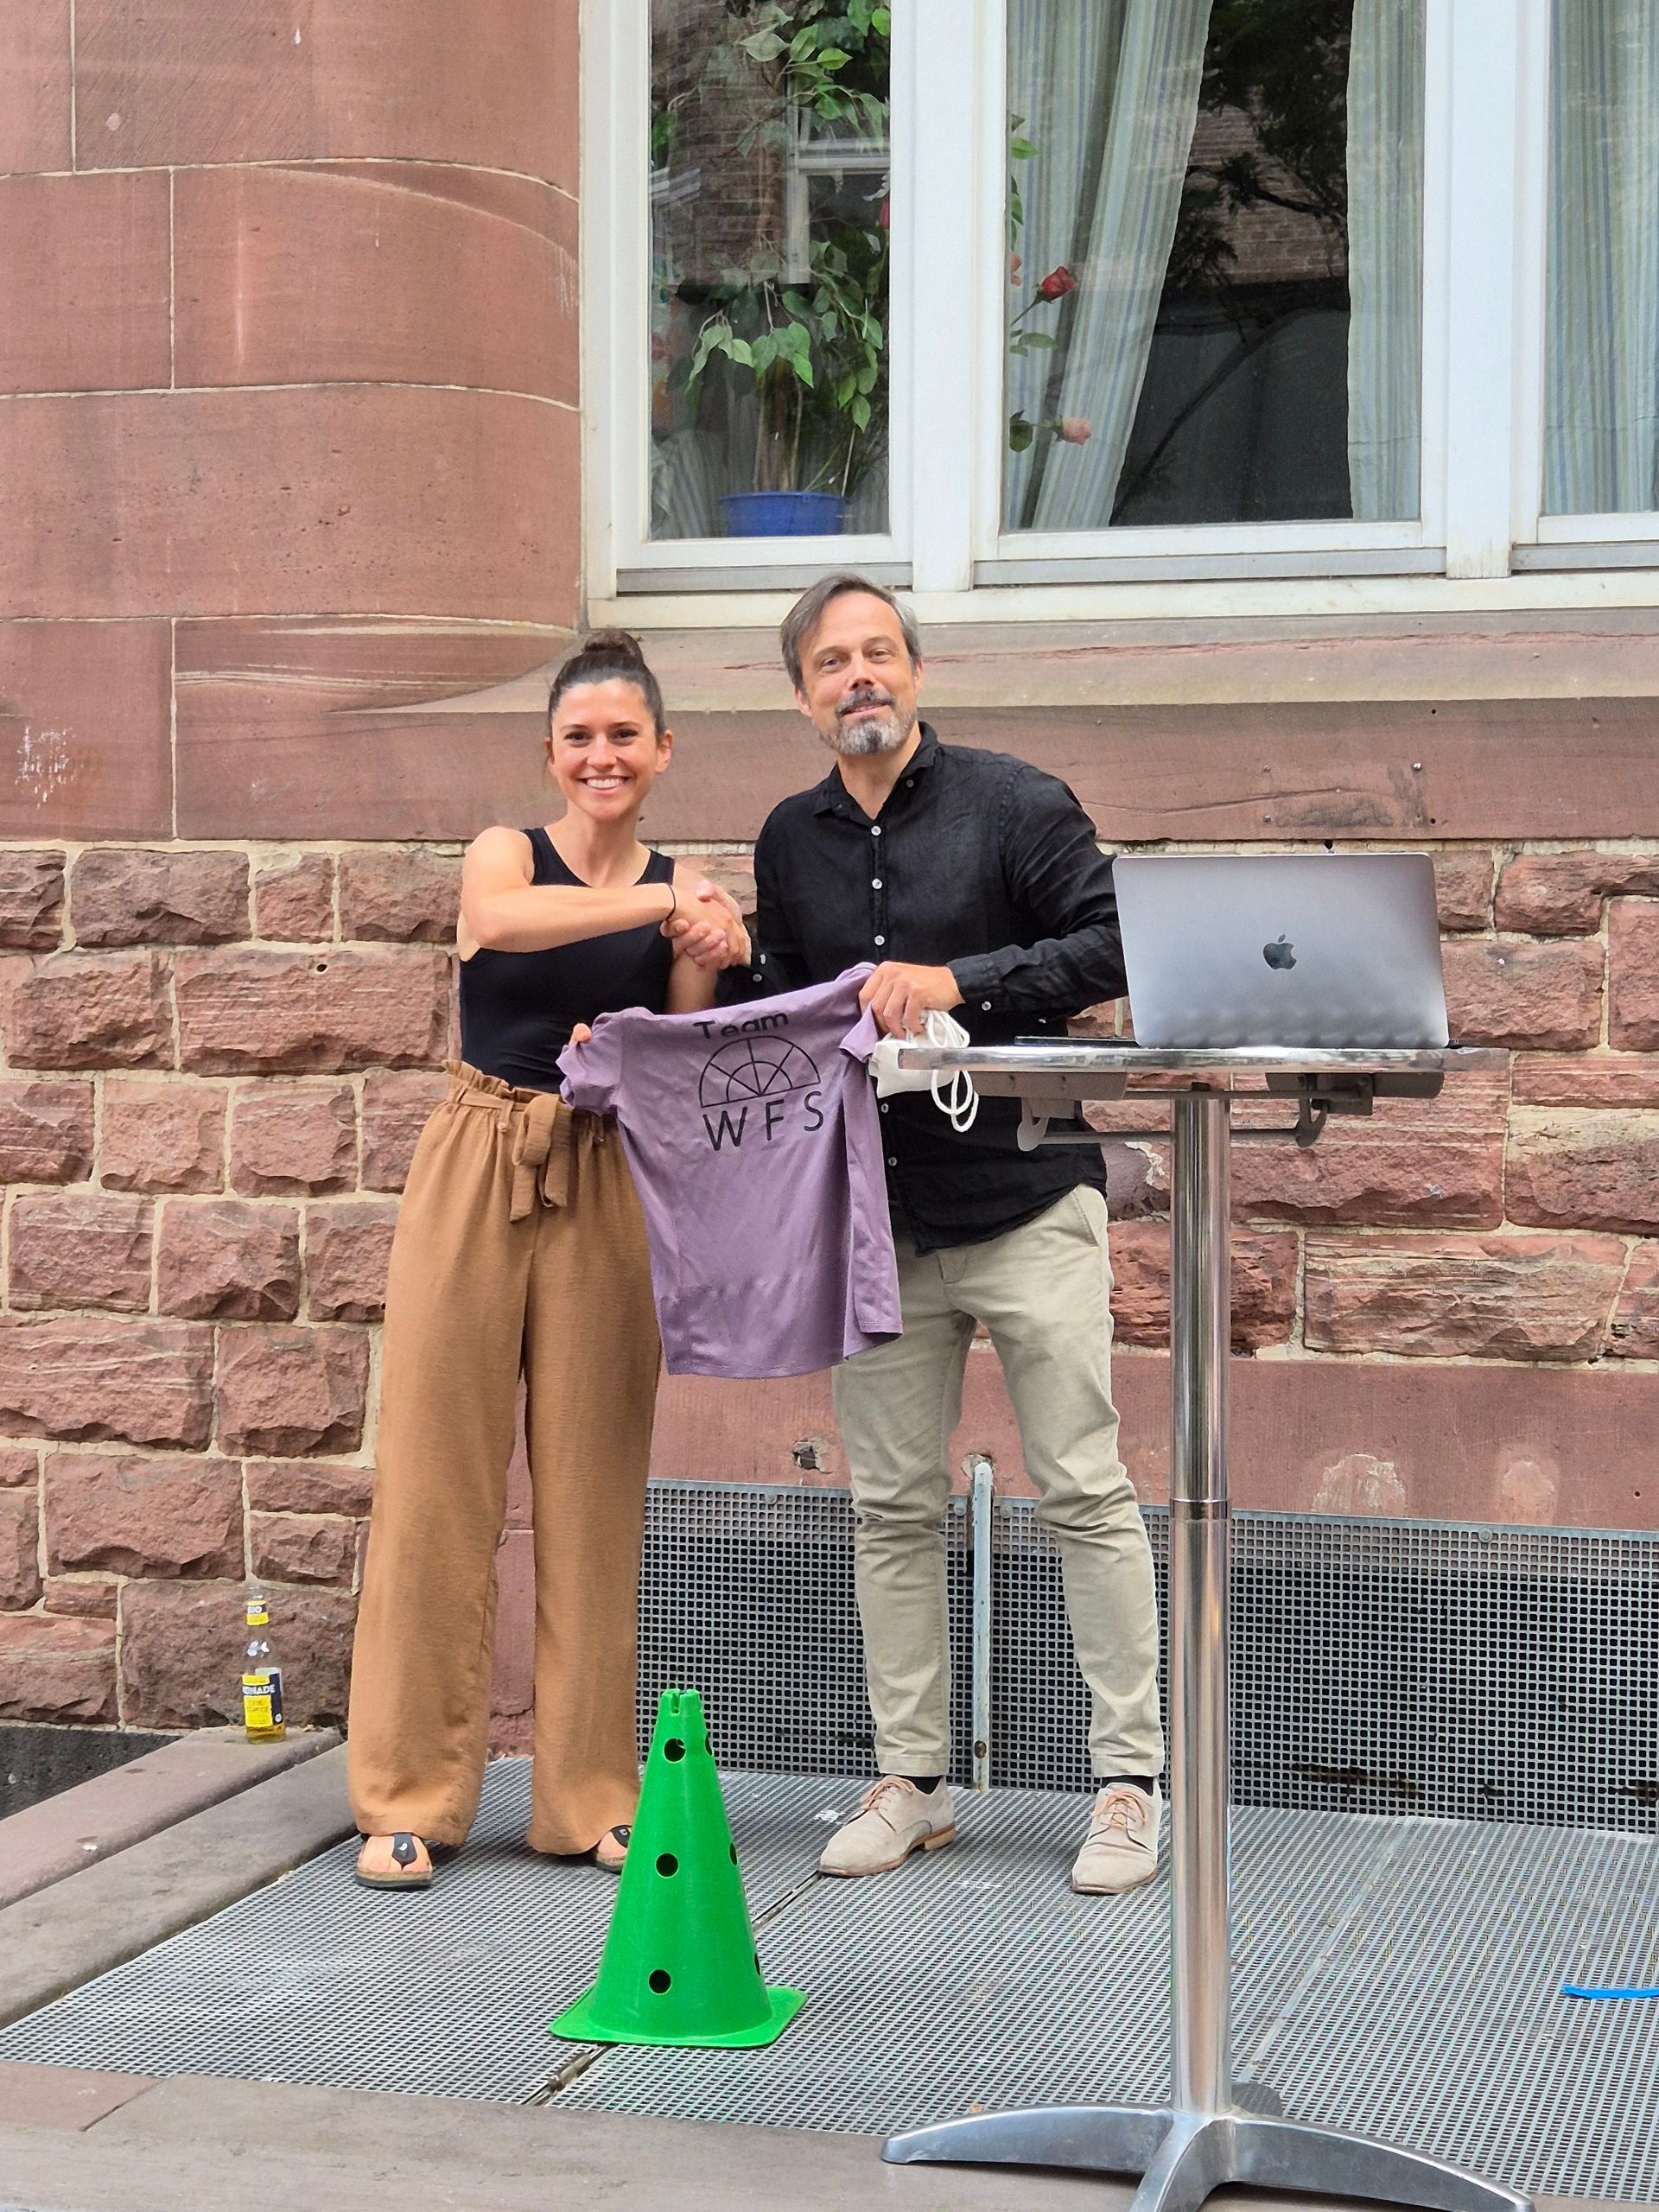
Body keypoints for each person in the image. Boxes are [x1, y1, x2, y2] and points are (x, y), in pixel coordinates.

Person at [724, 573, 1166, 1894]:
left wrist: (957, 981)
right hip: (879, 1220)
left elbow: (1115, 943)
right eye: (832, 662)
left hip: (1029, 1195)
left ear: (915, 672)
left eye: (879, 653)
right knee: (891, 1508)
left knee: (1082, 1486)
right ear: (802, 696)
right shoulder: (787, 839)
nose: (859, 676)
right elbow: (783, 1015)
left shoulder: (1016, 804)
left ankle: (1129, 1786)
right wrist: (715, 960)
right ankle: (913, 1783)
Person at [348, 630, 747, 1888]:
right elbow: (497, 924)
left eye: (625, 735)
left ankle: (587, 1797)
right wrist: (664, 907)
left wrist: (708, 956)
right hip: (476, 1156)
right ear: (550, 754)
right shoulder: (507, 852)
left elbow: (682, 1060)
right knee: (434, 1480)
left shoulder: (686, 891)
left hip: (602, 1170)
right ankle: (408, 1797)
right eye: (580, 737)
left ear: (664, 750)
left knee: (593, 1490)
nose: (601, 755)